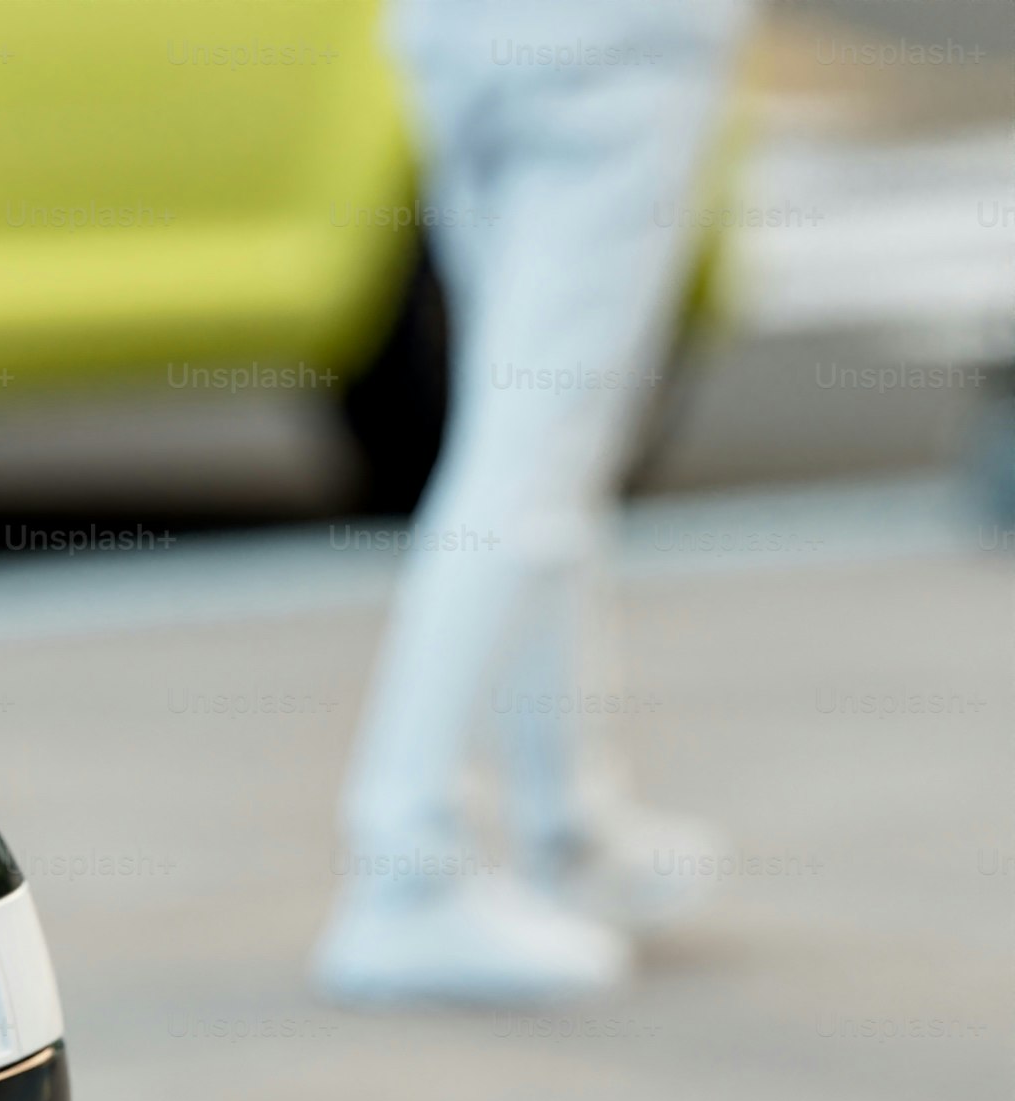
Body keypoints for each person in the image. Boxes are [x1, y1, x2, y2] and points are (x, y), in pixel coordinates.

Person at [314, 0, 749, 1007]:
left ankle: (569, 826)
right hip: (613, 44)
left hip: (464, 36)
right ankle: (408, 865)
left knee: (535, 444)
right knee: (532, 457)